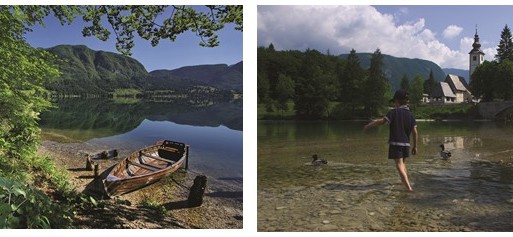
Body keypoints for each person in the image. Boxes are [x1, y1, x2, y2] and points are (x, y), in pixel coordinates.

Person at [363, 89, 418, 192]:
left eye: (394, 102)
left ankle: (408, 188)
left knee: (399, 164)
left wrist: (369, 125)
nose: (394, 104)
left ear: (397, 101)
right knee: (403, 163)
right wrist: (415, 146)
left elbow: (382, 122)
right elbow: (415, 132)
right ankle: (403, 181)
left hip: (396, 143)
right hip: (406, 144)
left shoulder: (393, 112)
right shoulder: (411, 115)